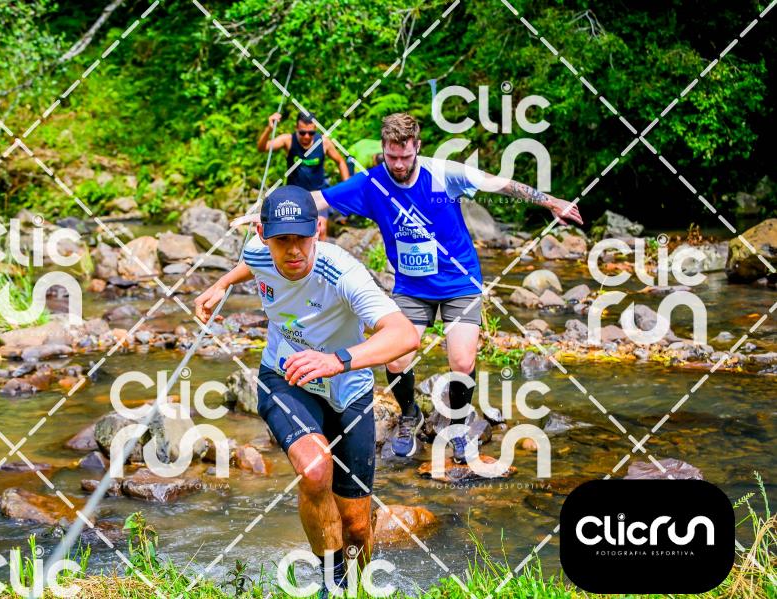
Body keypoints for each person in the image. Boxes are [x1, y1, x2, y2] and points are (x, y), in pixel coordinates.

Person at [308, 112, 582, 463]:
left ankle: (457, 425)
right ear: (383, 150)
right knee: (396, 356)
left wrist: (550, 202)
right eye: (392, 157)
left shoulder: (442, 173)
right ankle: (410, 414)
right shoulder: (371, 183)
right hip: (411, 286)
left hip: (459, 282)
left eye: (406, 157)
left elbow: (498, 183)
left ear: (418, 147)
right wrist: (269, 212)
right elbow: (319, 199)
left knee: (462, 361)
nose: (398, 165)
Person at [195, 185, 419, 596]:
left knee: (356, 525)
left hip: (348, 390)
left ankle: (358, 586)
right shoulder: (259, 251)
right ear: (263, 235)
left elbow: (404, 335)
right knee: (315, 471)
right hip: (286, 378)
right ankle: (332, 584)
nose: (293, 250)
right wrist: (221, 285)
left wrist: (337, 360)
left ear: (318, 230)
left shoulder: (342, 271)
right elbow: (251, 263)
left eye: (301, 237)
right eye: (282, 240)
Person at [257, 112, 351, 240]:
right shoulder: (288, 140)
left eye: (311, 133)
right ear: (296, 128)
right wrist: (269, 129)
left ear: (315, 129)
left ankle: (321, 252)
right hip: (295, 195)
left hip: (318, 193)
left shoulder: (323, 142)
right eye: (302, 133)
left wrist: (347, 187)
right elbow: (262, 148)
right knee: (295, 234)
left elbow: (340, 161)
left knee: (321, 229)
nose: (306, 136)